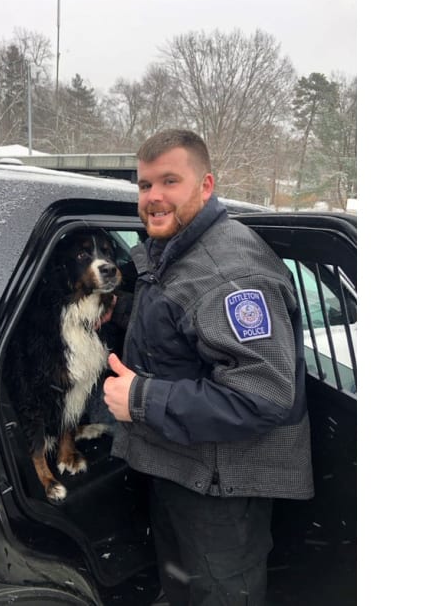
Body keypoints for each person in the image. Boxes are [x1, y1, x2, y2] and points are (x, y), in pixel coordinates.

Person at [103, 129, 313, 605]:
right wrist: (120, 311)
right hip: (186, 465)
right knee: (180, 589)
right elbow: (182, 326)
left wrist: (140, 399)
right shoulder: (180, 250)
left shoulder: (229, 273)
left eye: (169, 181)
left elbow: (262, 393)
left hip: (223, 488)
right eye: (144, 185)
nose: (153, 197)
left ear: (206, 184)